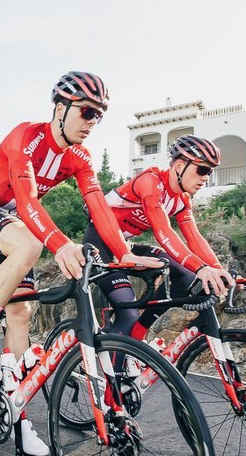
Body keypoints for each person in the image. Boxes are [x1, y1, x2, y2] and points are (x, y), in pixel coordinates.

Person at [0, 71, 161, 456]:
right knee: (31, 244)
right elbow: (28, 199)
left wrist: (125, 253)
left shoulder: (80, 158)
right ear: (60, 108)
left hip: (13, 224)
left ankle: (17, 419)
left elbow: (98, 206)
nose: (91, 122)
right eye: (86, 112)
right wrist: (61, 244)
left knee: (22, 315)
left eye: (99, 115)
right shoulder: (25, 138)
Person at [85, 135, 235, 342]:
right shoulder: (150, 181)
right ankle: (116, 368)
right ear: (180, 165)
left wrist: (218, 270)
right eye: (202, 170)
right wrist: (201, 267)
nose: (206, 177)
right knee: (128, 315)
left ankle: (138, 333)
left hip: (126, 245)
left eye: (210, 172)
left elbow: (194, 238)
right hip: (99, 244)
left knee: (185, 274)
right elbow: (163, 232)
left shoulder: (182, 200)